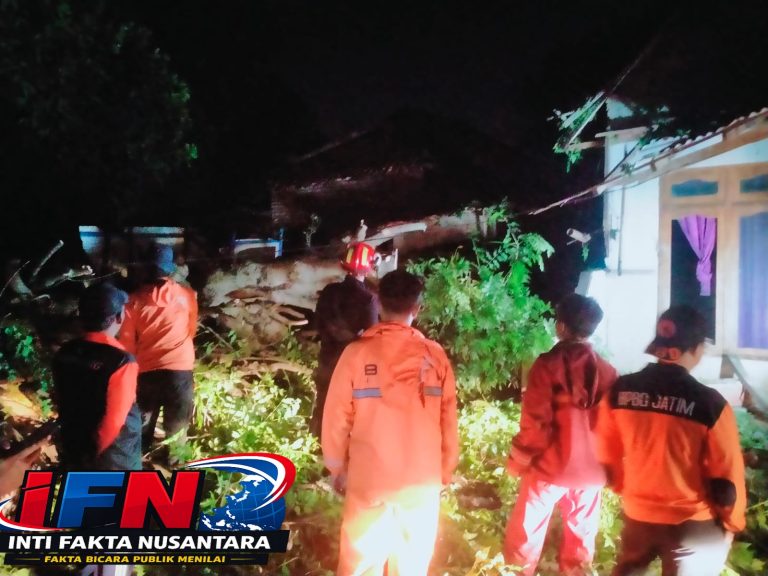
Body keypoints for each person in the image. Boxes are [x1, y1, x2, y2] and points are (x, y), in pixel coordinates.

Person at [322, 270, 458, 576]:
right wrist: (445, 471)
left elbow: (336, 417)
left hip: (370, 478)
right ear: (417, 308)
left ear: (379, 304)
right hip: (422, 482)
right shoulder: (435, 357)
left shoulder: (356, 354)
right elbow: (448, 419)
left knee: (360, 563)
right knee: (411, 565)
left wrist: (336, 467)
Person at [597, 305, 746, 576]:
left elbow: (607, 452)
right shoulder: (710, 405)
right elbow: (727, 479)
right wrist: (732, 524)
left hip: (638, 517)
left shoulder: (619, 392)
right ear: (697, 348)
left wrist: (624, 488)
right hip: (692, 525)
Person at [504, 293, 618, 576]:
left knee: (525, 540)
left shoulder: (546, 366)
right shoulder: (608, 371)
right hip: (591, 475)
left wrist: (517, 462)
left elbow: (535, 425)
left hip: (548, 470)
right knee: (580, 545)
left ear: (562, 327)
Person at [118, 244, 198, 455]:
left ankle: (138, 467)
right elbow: (191, 330)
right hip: (180, 370)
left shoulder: (132, 301)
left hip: (147, 372)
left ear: (146, 268)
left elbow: (127, 343)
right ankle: (176, 469)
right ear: (170, 269)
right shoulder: (187, 296)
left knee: (142, 425)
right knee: (177, 429)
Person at [52, 282, 141, 470]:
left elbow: (63, 400)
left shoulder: (64, 353)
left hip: (73, 443)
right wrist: (93, 452)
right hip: (112, 455)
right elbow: (114, 420)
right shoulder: (121, 361)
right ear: (118, 317)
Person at [310, 242, 379, 436]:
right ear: (368, 266)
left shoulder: (329, 291)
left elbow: (318, 323)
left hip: (326, 359)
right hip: (352, 366)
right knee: (348, 413)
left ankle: (314, 448)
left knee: (323, 404)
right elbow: (371, 338)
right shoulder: (368, 299)